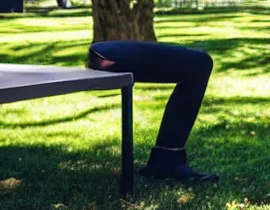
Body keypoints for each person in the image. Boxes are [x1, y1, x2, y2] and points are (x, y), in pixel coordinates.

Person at [87, 40, 219, 184]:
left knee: (200, 64)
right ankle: (166, 163)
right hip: (108, 53)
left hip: (107, 50)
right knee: (200, 63)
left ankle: (166, 161)